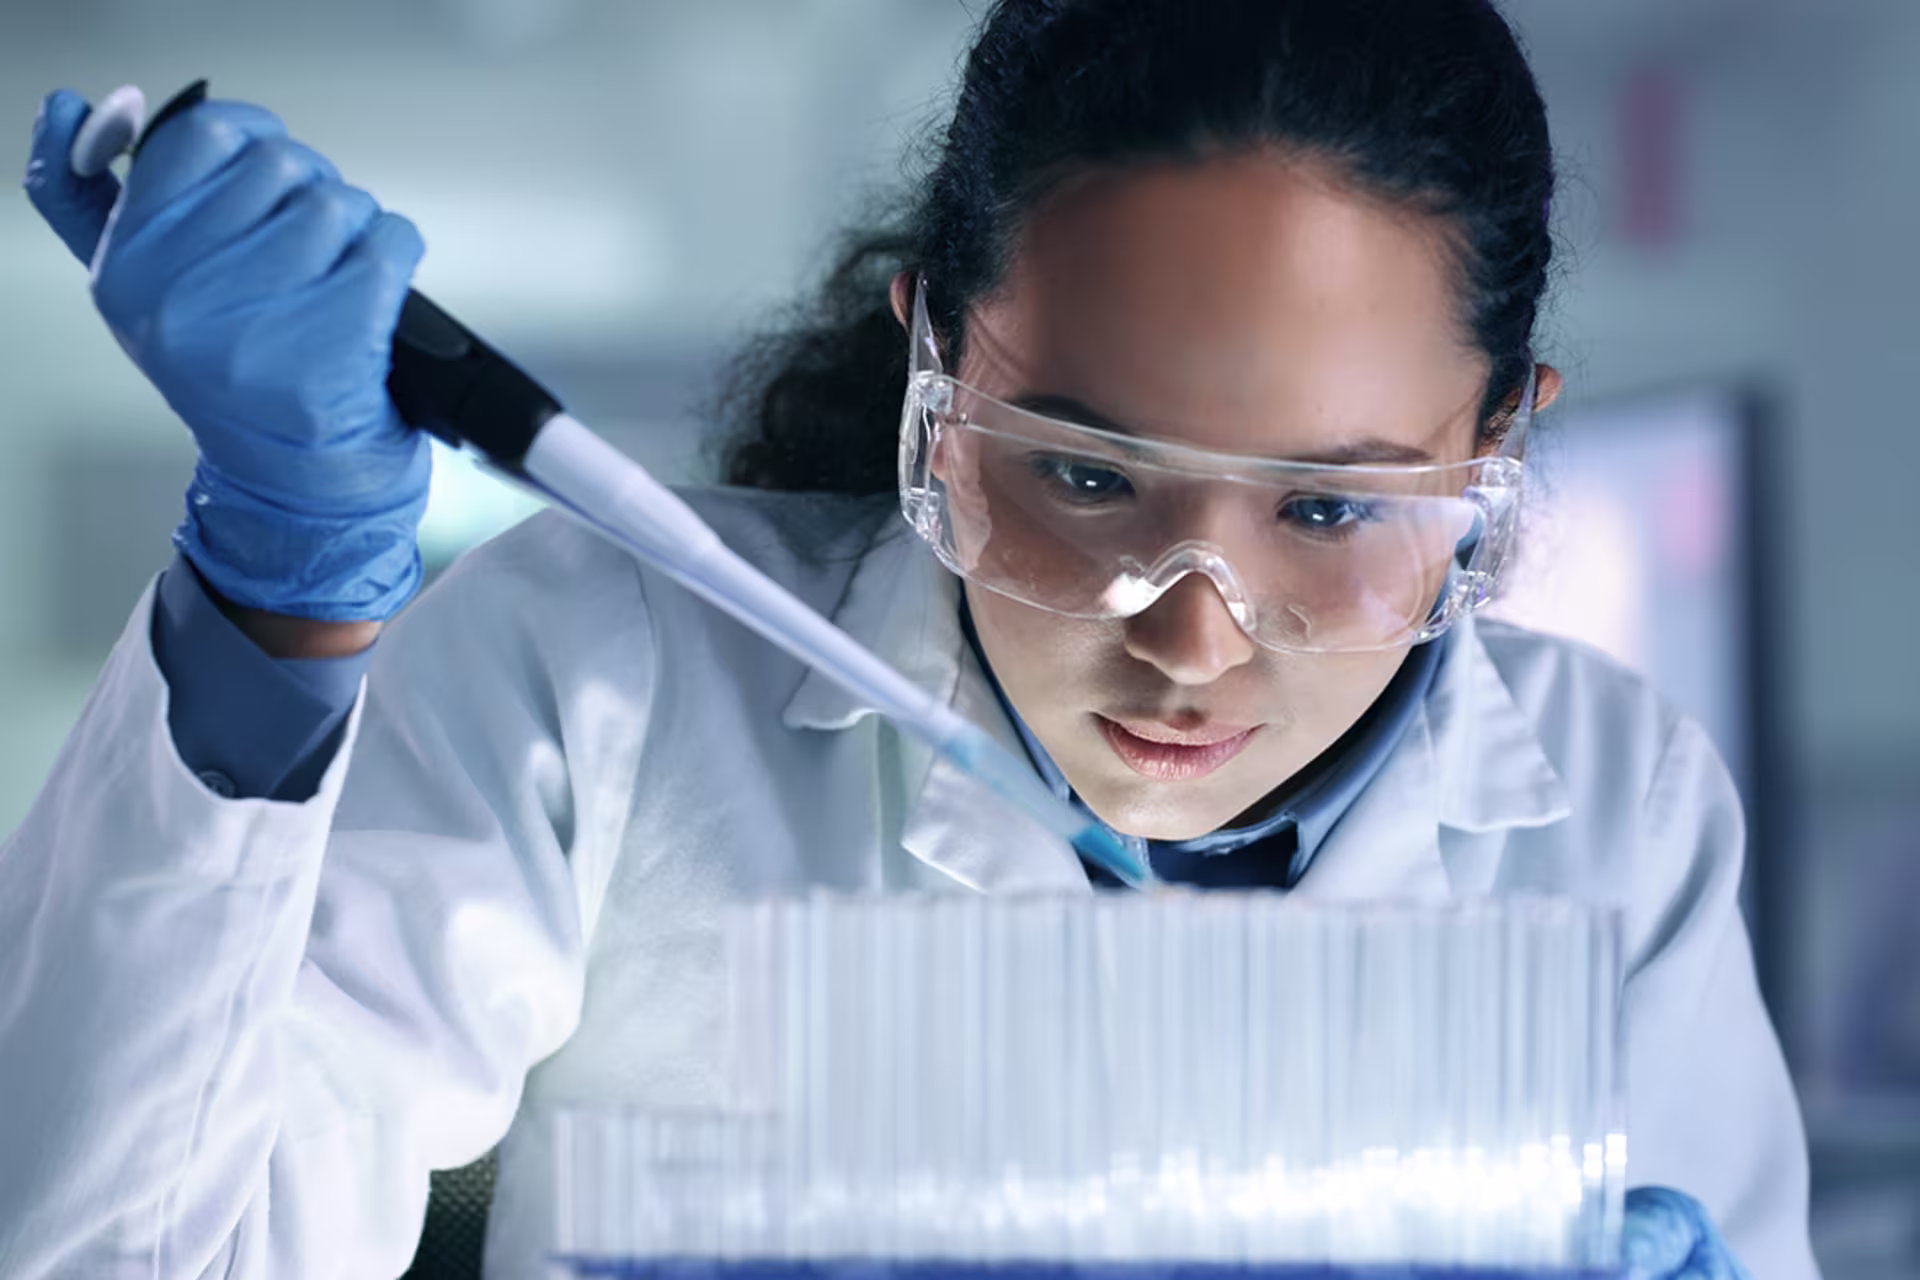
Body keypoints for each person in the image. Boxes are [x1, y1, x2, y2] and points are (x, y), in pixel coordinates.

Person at [1, 2, 1813, 1277]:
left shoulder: (1614, 803)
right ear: (937, 373)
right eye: (1089, 479)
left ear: (1494, 452)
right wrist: (279, 593)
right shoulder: (608, 670)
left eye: (1328, 512)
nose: (1190, 644)